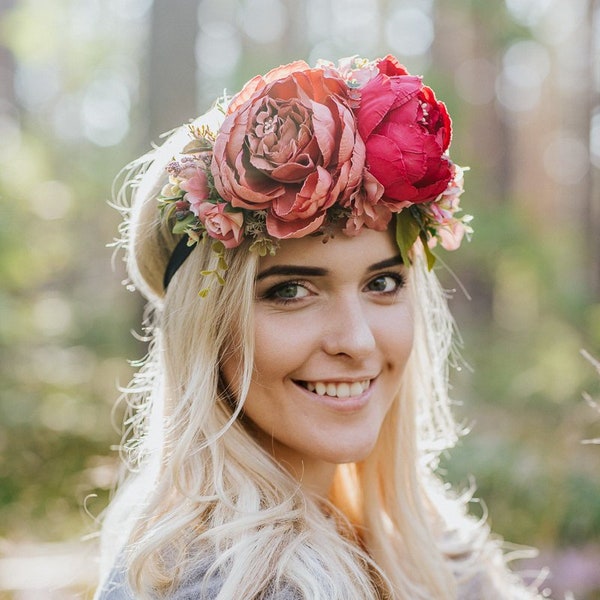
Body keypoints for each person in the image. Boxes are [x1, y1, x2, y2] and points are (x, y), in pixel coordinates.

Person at [95, 56, 546, 599]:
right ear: (208, 331)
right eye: (290, 290)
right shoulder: (226, 582)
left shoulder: (432, 550)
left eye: (382, 284)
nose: (356, 342)